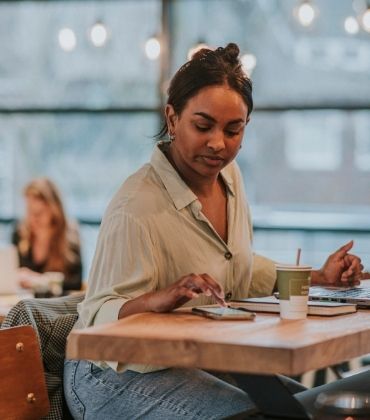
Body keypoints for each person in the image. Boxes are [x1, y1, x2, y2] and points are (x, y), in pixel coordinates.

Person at [64, 43, 368, 419]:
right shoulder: (137, 208)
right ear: (172, 119)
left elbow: (236, 267)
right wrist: (157, 299)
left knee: (312, 410)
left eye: (233, 130)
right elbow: (96, 317)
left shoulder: (229, 178)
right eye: (203, 126)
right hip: (111, 376)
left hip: (196, 362)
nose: (218, 144)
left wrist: (319, 278)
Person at [12, 177, 83, 293]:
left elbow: (76, 283)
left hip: (54, 307)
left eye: (39, 213)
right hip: (23, 303)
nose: (33, 219)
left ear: (54, 210)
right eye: (29, 211)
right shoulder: (19, 233)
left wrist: (39, 280)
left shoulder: (70, 237)